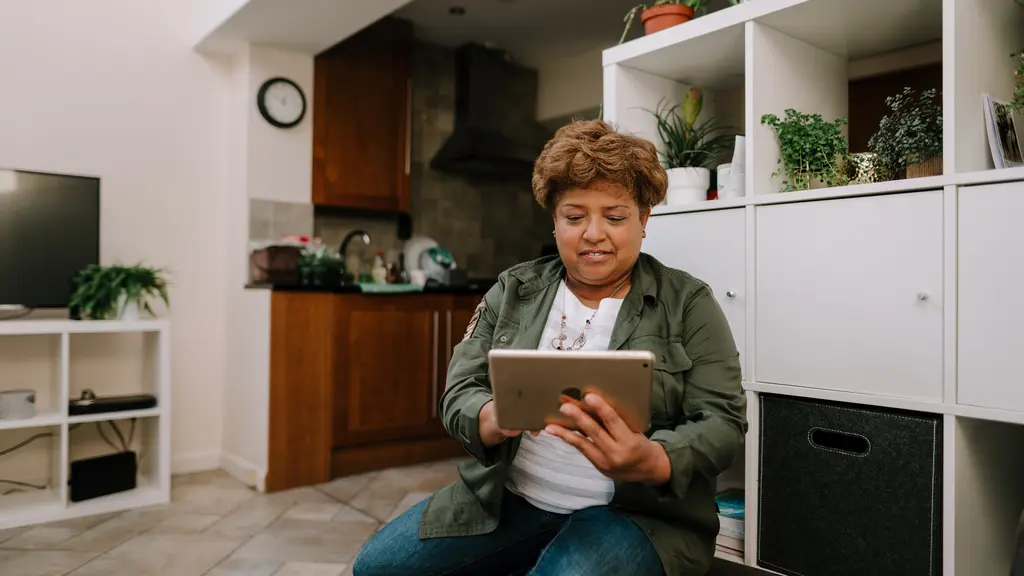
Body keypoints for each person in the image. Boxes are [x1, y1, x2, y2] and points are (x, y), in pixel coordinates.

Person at [352, 119, 747, 576]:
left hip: (638, 517)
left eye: (615, 217)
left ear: (643, 220)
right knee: (377, 568)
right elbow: (459, 390)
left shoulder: (688, 303)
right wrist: (491, 416)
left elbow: (723, 421)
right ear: (555, 223)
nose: (593, 233)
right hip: (509, 499)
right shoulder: (514, 289)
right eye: (574, 217)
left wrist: (653, 458)